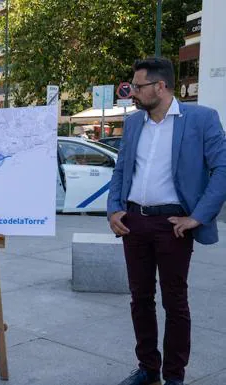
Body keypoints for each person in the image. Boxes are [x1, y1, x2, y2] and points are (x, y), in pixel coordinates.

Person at [108, 57, 226, 385]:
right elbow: (121, 169)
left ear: (160, 87)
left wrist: (198, 216)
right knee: (140, 299)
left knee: (175, 302)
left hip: (173, 224)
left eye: (138, 86)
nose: (132, 92)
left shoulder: (201, 119)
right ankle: (148, 369)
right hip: (135, 222)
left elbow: (222, 170)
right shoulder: (133, 123)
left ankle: (174, 376)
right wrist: (114, 208)